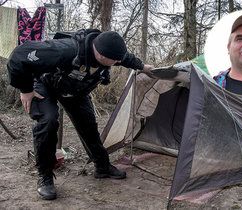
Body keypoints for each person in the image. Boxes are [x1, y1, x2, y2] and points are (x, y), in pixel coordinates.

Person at [7, 29, 154, 200]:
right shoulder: (64, 49)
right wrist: (25, 89)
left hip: (75, 90)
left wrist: (143, 67)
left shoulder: (110, 53)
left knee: (89, 125)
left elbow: (125, 57)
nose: (118, 62)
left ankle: (102, 167)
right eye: (115, 60)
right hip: (45, 85)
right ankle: (45, 176)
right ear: (100, 54)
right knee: (48, 122)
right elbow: (19, 55)